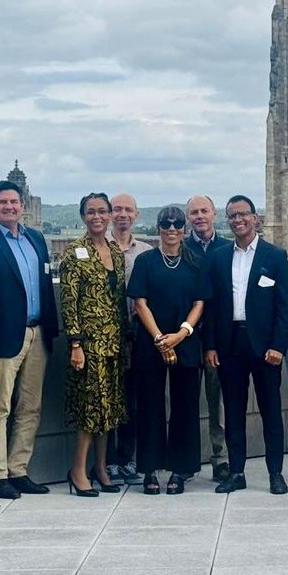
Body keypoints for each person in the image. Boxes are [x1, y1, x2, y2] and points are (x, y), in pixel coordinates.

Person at [0, 179, 61, 501]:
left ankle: (19, 469)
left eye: (14, 202)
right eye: (3, 203)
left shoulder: (36, 239)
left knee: (30, 407)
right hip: (3, 337)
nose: (10, 207)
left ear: (23, 205)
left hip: (38, 333)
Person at [202, 195, 288, 495]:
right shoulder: (218, 258)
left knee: (271, 412)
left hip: (265, 347)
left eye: (243, 214)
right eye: (232, 216)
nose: (238, 220)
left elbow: (284, 307)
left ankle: (275, 474)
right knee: (234, 412)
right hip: (230, 345)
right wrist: (211, 346)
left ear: (256, 218)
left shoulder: (274, 256)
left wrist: (278, 346)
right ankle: (237, 472)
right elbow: (212, 307)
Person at [128, 205, 206, 494]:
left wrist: (181, 333)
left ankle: (180, 469)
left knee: (185, 406)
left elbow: (200, 302)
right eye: (165, 223)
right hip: (151, 343)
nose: (171, 229)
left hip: (185, 342)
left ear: (184, 229)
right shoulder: (146, 261)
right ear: (158, 228)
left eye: (176, 224)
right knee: (149, 406)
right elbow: (140, 302)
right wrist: (161, 338)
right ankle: (149, 468)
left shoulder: (196, 262)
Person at [60, 192, 129, 497]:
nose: (97, 217)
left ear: (111, 215)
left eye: (103, 211)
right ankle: (77, 470)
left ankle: (101, 468)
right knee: (90, 409)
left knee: (109, 410)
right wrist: (75, 344)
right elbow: (68, 303)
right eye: (91, 212)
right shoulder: (75, 252)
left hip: (114, 342)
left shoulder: (115, 252)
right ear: (83, 216)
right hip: (88, 346)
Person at [105, 193, 152, 486]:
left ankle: (128, 458)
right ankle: (108, 461)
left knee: (134, 401)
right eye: (117, 209)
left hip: (137, 337)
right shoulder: (99, 247)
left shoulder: (146, 252)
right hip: (107, 337)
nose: (123, 214)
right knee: (108, 400)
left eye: (128, 210)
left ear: (136, 215)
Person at [186, 194, 231, 482]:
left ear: (214, 214)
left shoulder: (228, 248)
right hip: (186, 338)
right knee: (186, 402)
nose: (199, 216)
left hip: (218, 339)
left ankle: (221, 458)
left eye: (204, 211)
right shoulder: (178, 248)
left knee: (219, 402)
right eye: (194, 212)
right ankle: (186, 460)